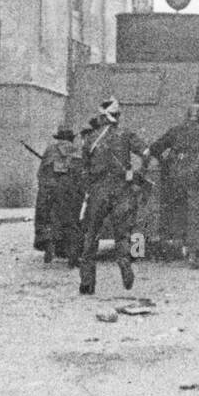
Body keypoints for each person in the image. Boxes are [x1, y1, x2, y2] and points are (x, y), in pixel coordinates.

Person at [79, 99, 151, 295]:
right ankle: (126, 263)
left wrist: (89, 189)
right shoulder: (126, 134)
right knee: (124, 233)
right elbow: (146, 152)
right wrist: (138, 174)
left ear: (102, 117)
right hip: (122, 190)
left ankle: (87, 283)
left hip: (98, 191)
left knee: (91, 235)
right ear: (117, 117)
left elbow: (83, 169)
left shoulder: (90, 139)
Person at [150, 103, 199, 266]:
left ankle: (173, 248)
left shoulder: (176, 130)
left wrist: (165, 163)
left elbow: (155, 148)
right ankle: (193, 252)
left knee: (176, 211)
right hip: (197, 176)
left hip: (175, 176)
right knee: (196, 213)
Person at [35, 127, 87, 267]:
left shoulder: (50, 150)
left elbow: (41, 174)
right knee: (71, 223)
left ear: (58, 138)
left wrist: (45, 191)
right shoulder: (77, 152)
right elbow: (82, 177)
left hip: (50, 192)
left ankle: (48, 252)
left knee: (49, 221)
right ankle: (73, 259)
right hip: (69, 193)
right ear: (71, 138)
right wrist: (79, 195)